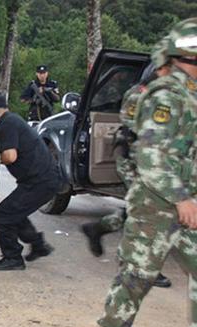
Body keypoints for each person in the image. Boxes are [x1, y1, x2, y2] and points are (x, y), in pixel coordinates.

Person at [95, 18, 197, 327]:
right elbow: (151, 157)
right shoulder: (164, 96)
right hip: (156, 203)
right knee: (138, 275)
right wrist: (182, 199)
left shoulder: (191, 96)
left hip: (188, 201)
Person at [81, 37, 173, 288]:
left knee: (141, 209)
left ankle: (100, 229)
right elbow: (136, 128)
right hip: (134, 160)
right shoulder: (138, 95)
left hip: (154, 162)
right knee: (148, 212)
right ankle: (139, 265)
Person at [0, 95, 60, 270]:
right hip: (42, 180)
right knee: (15, 212)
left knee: (3, 216)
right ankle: (38, 245)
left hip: (39, 182)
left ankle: (13, 258)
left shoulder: (6, 124)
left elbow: (10, 156)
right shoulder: (12, 120)